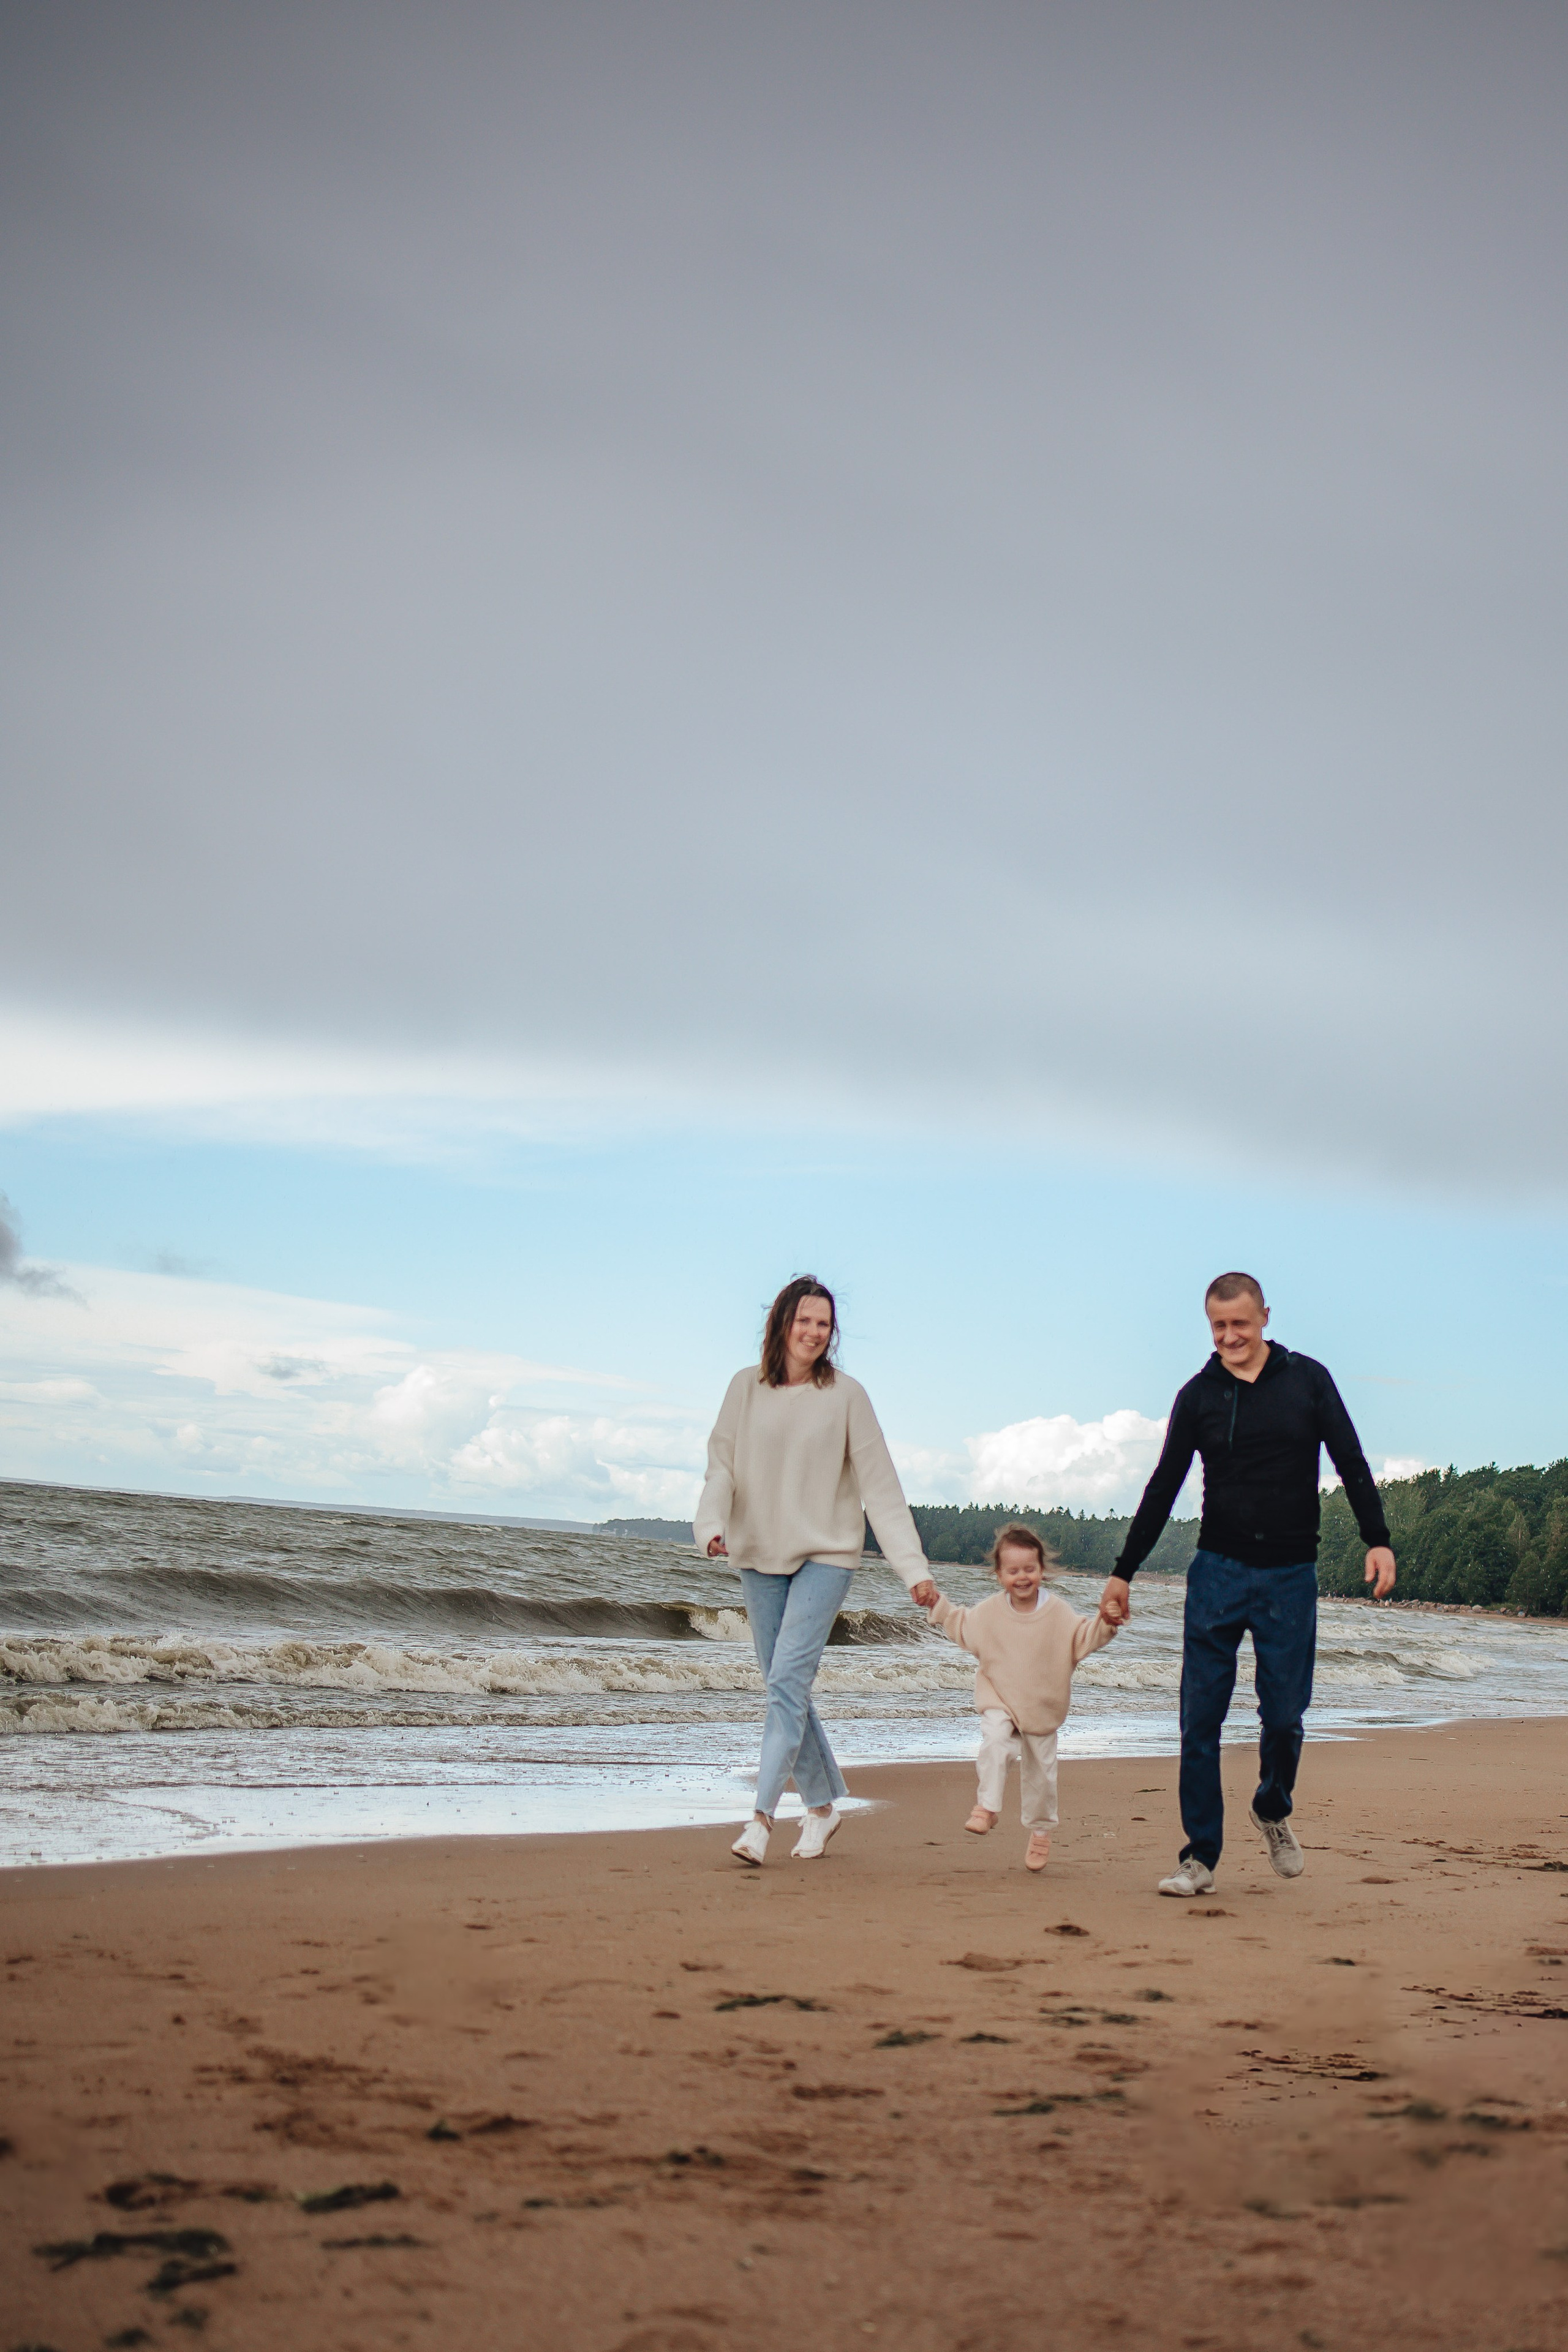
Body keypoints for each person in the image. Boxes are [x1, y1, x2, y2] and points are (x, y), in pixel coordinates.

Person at [1099, 1273, 1396, 1898]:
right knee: (1198, 1722)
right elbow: (1162, 1486)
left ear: (1263, 1316)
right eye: (1218, 1327)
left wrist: (1377, 1537)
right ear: (1209, 1326)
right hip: (1217, 1573)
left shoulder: (1307, 1380)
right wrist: (1123, 1571)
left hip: (1289, 1576)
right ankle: (1199, 1858)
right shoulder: (1197, 1396)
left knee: (1285, 1718)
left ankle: (1271, 1805)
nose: (1230, 1337)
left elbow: (1350, 1459)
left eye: (1240, 1324)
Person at [694, 1275, 937, 1866]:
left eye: (824, 1324)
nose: (814, 1332)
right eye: (805, 1320)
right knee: (787, 1687)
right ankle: (824, 1807)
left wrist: (914, 1571)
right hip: (757, 1553)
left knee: (785, 1685)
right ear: (782, 1322)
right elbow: (721, 1467)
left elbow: (882, 1492)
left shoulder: (847, 1396)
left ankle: (759, 1821)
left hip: (827, 1554)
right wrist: (711, 1526)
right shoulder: (743, 1389)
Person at [924, 1523, 1118, 1871]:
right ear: (999, 1575)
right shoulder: (989, 1612)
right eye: (1013, 1571)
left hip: (1042, 1706)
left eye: (1030, 1569)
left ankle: (1041, 1832)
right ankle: (987, 1807)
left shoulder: (1058, 1612)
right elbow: (960, 1623)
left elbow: (1084, 1637)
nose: (1022, 1577)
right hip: (999, 1697)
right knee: (996, 1741)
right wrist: (937, 1604)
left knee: (1042, 1777)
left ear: (1042, 1571)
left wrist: (1107, 1620)